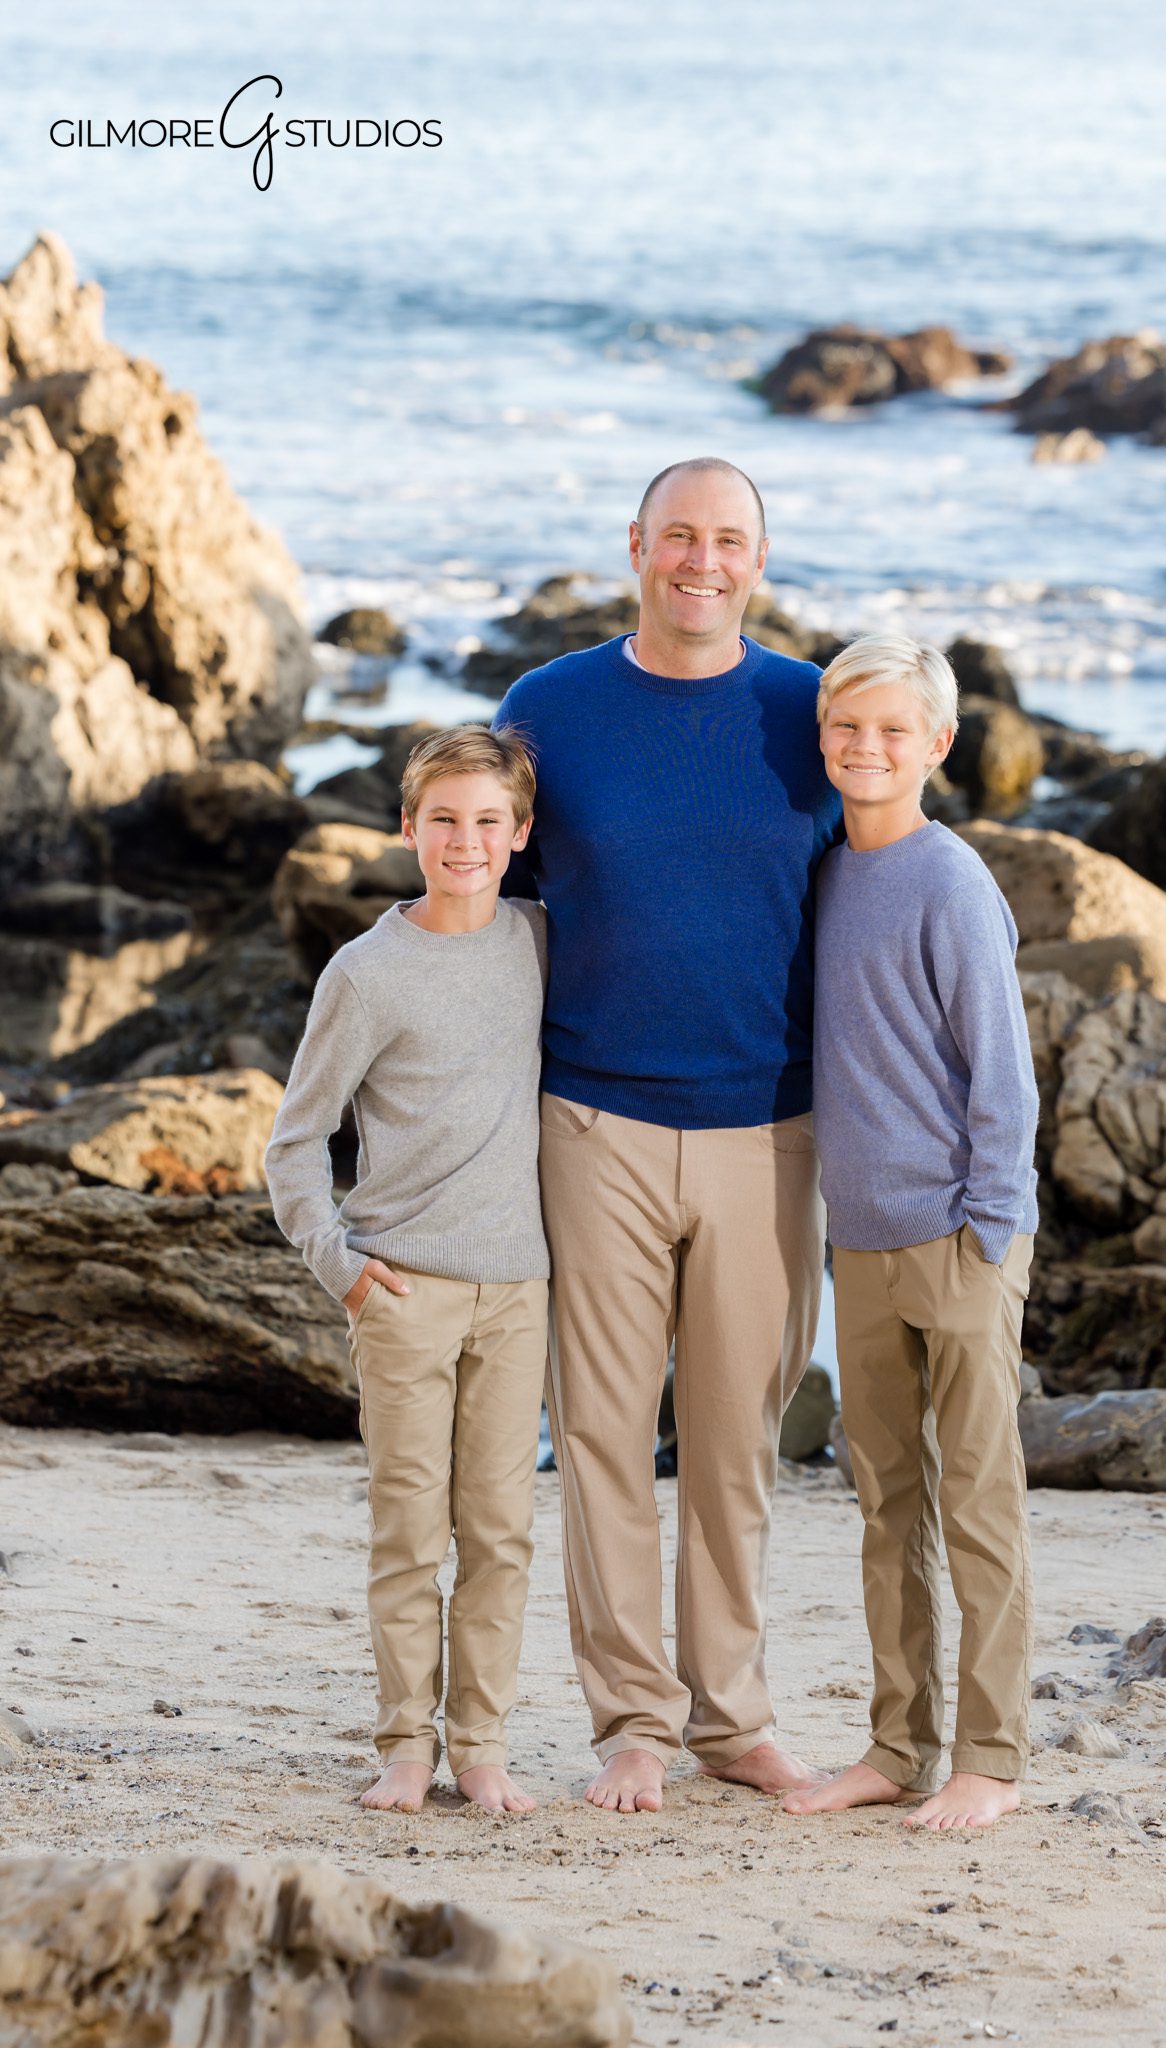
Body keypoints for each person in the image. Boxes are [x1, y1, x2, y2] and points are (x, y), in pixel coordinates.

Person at [494, 457, 843, 1813]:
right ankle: (632, 1723)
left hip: (772, 1130)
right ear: (635, 544)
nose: (703, 559)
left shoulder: (810, 713)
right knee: (598, 1437)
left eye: (730, 539)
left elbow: (871, 901)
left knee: (736, 1441)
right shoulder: (549, 709)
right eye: (679, 535)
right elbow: (492, 899)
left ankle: (734, 1720)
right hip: (592, 1121)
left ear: (758, 556)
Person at [265, 726, 550, 1817]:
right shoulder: (367, 972)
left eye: (489, 822)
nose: (466, 841)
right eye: (445, 820)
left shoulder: (539, 940)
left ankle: (480, 1746)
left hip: (518, 1291)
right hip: (401, 1293)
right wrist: (337, 1264)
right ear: (407, 827)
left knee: (501, 1531)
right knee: (408, 1529)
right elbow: (295, 1140)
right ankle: (402, 1746)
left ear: (520, 835)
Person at [784, 633, 1039, 1832]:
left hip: (960, 1238)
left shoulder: (951, 883)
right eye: (847, 728)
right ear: (823, 739)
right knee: (888, 1501)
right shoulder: (829, 873)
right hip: (861, 1242)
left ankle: (989, 1754)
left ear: (937, 744)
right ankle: (899, 1741)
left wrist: (991, 1231)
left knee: (979, 1501)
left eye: (893, 730)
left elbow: (1003, 1076)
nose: (866, 748)